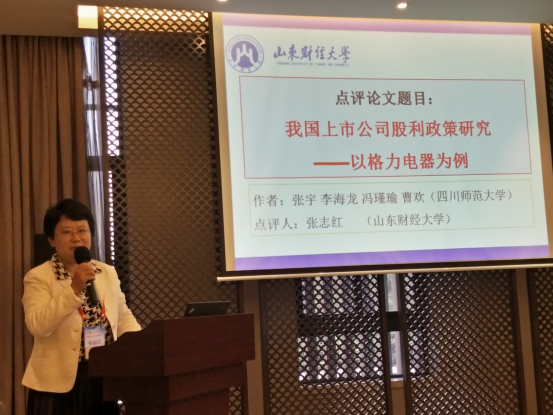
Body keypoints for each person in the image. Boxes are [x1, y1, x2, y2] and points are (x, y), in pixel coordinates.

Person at [22, 199, 141, 415]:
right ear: (51, 240)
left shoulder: (106, 272)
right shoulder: (38, 277)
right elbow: (37, 325)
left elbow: (122, 316)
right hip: (57, 384)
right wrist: (73, 289)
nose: (76, 238)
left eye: (82, 230)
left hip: (102, 374)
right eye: (67, 232)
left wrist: (142, 344)